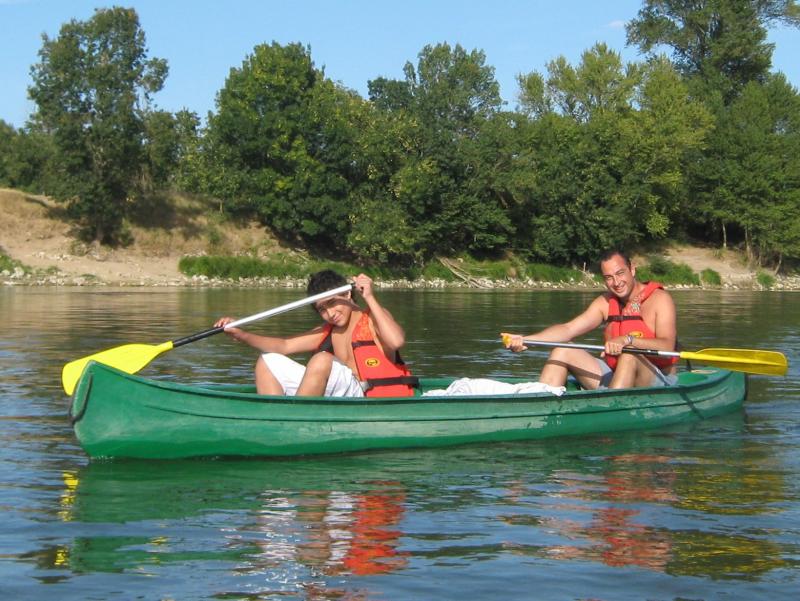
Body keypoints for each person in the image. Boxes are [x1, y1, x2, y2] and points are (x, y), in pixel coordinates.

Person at [214, 270, 416, 397]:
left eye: (331, 304)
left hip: (373, 397)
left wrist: (370, 297)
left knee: (322, 359)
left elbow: (396, 341)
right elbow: (284, 346)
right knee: (267, 361)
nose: (330, 314)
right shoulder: (328, 331)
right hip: (347, 395)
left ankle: (296, 422)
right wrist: (242, 334)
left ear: (347, 294)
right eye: (322, 309)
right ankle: (275, 418)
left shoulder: (373, 318)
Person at [503, 250, 678, 390]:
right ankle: (541, 409)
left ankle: (611, 414)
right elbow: (568, 329)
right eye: (609, 277)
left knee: (629, 353)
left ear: (632, 270)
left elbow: (667, 345)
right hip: (616, 375)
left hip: (658, 380)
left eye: (620, 273)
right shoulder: (605, 302)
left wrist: (627, 340)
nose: (616, 282)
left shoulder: (659, 299)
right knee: (562, 350)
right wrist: (527, 340)